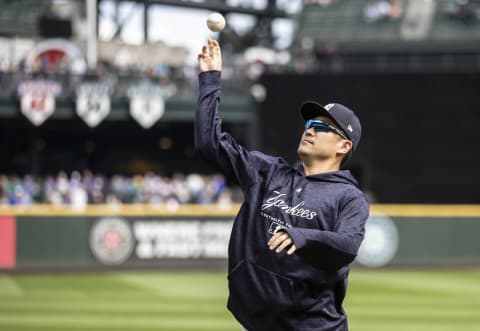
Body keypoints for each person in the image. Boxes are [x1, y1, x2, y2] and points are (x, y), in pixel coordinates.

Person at [195, 39, 369, 331]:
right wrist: (210, 80)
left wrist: (301, 236)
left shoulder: (349, 197)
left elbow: (349, 244)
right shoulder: (267, 173)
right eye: (309, 124)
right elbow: (209, 144)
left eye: (323, 126)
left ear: (343, 145)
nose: (311, 129)